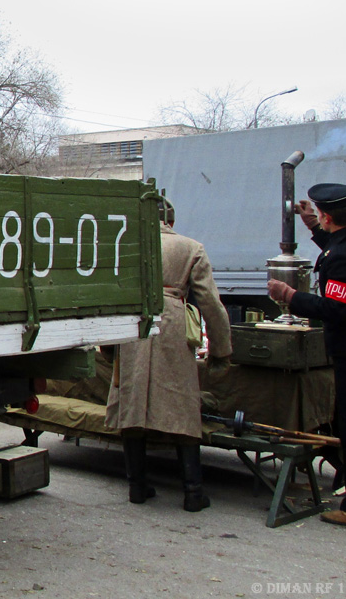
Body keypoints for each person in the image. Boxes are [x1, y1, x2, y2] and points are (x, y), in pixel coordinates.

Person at [268, 183, 346, 528]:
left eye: (319, 218)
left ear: (329, 216)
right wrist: (310, 224)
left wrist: (290, 295)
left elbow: (336, 309)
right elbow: (335, 252)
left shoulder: (344, 256)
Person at [106, 197, 233, 511]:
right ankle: (193, 493)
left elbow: (111, 294)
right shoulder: (191, 248)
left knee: (132, 404)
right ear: (171, 222)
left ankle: (137, 487)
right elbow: (212, 307)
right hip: (173, 325)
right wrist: (221, 350)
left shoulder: (127, 245)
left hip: (134, 322)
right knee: (183, 405)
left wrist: (108, 345)